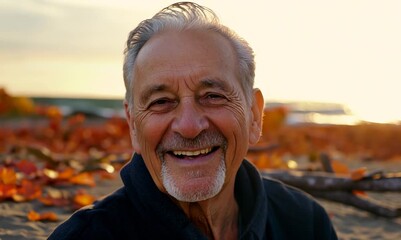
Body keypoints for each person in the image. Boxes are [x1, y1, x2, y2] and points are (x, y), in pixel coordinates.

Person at [49, 2, 338, 239]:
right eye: (161, 102)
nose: (188, 127)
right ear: (133, 124)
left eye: (212, 96)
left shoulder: (305, 223)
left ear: (253, 115)